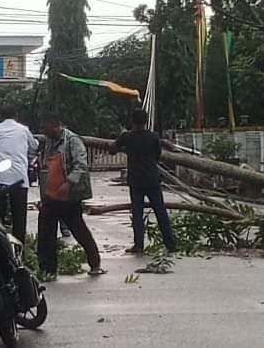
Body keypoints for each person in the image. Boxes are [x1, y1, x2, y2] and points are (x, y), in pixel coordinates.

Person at [38, 113, 105, 276]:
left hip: (68, 195)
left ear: (55, 126)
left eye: (45, 128)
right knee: (46, 230)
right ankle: (47, 269)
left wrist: (68, 183)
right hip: (52, 194)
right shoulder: (50, 141)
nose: (43, 132)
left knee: (78, 228)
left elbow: (80, 165)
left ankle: (95, 263)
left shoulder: (72, 141)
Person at [111, 109, 177, 254]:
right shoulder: (153, 137)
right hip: (152, 178)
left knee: (137, 214)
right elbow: (157, 154)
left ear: (132, 121)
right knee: (160, 212)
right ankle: (170, 244)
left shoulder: (126, 137)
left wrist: (122, 145)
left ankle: (139, 245)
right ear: (146, 121)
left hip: (136, 181)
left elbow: (112, 150)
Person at [0, 105, 39, 243]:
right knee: (19, 217)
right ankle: (19, 248)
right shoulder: (24, 130)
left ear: (1, 116)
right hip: (19, 179)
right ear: (16, 115)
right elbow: (34, 146)